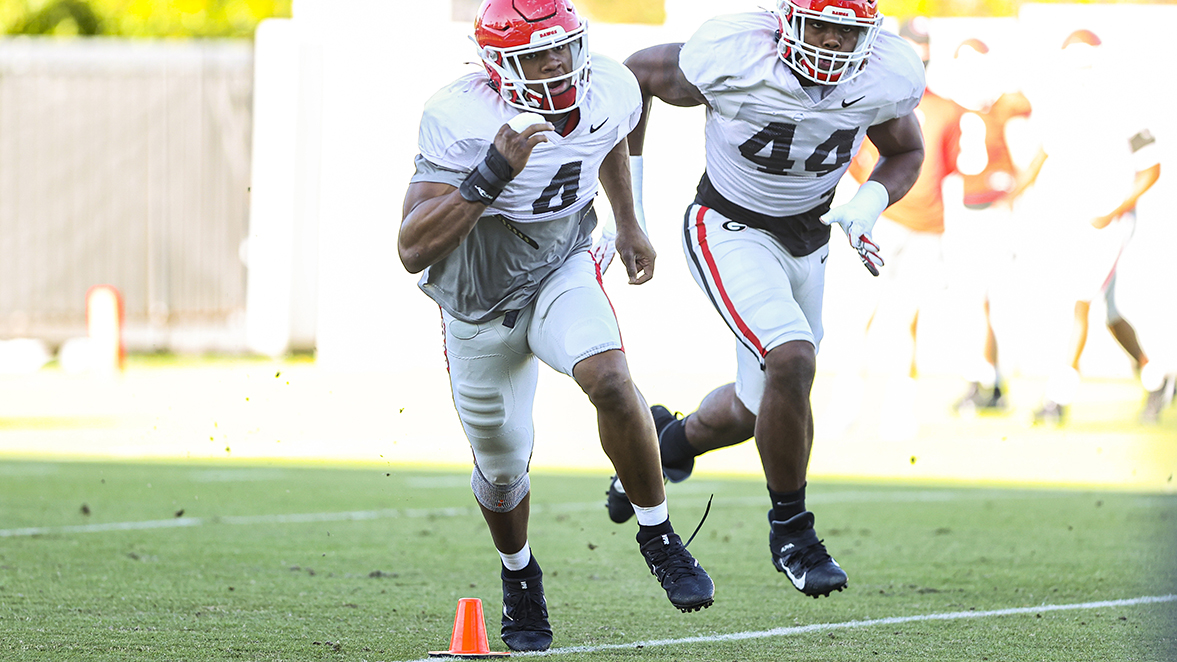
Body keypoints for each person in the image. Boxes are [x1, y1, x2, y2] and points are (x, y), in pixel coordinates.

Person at [398, 0, 715, 651]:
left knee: (608, 376)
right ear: (495, 65)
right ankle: (519, 575)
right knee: (503, 463)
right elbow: (412, 249)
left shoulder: (610, 84)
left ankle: (657, 534)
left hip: (559, 266)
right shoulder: (457, 116)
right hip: (476, 300)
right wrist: (490, 175)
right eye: (534, 55)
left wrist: (628, 222)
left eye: (560, 48)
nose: (554, 65)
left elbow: (609, 141)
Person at [605, 0, 925, 599]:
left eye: (847, 29)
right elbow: (635, 78)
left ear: (870, 35)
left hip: (812, 238)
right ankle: (793, 534)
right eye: (820, 24)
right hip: (728, 227)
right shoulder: (740, 58)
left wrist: (868, 202)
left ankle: (666, 443)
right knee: (791, 359)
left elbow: (905, 149)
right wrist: (631, 213)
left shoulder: (882, 75)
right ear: (786, 21)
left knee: (757, 410)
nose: (832, 41)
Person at [1014, 30, 1165, 425]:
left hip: (1111, 221)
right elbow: (1042, 154)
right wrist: (1013, 195)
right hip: (1077, 221)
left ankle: (1056, 399)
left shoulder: (1124, 105)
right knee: (1110, 312)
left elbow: (1152, 170)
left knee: (1079, 302)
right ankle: (1155, 377)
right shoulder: (1060, 105)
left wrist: (1114, 208)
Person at [825, 17, 965, 440]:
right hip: (883, 218)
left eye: (923, 47)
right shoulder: (873, 99)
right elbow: (850, 153)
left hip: (927, 227)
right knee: (859, 314)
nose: (918, 54)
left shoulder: (946, 108)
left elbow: (953, 171)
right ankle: (844, 407)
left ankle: (899, 411)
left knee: (907, 320)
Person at [939, 38, 1033, 415]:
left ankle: (989, 380)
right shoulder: (950, 107)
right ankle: (984, 379)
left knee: (993, 300)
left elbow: (1027, 113)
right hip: (964, 209)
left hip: (995, 211)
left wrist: (1014, 195)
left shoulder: (1005, 105)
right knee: (970, 299)